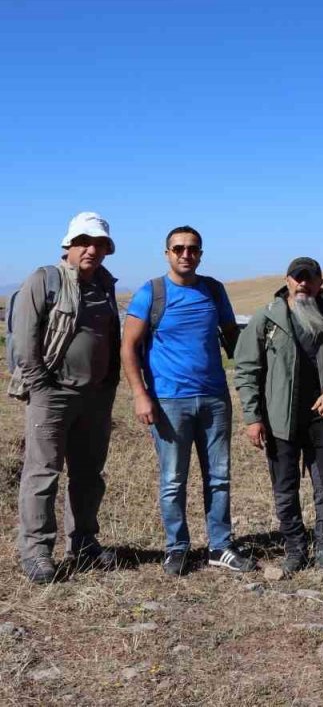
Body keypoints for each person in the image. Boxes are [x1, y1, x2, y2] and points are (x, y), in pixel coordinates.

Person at [122, 225, 254, 577]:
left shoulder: (213, 290)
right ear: (167, 253)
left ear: (200, 253)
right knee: (172, 479)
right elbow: (129, 347)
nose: (185, 254)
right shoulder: (151, 293)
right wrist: (140, 395)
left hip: (214, 398)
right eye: (178, 248)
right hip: (168, 400)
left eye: (192, 249)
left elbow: (232, 338)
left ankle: (220, 546)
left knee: (219, 477)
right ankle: (176, 548)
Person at [10, 212, 121, 584]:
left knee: (89, 475)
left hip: (96, 396)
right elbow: (23, 339)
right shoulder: (46, 279)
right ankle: (37, 551)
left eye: (99, 244)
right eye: (84, 242)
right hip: (52, 393)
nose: (92, 250)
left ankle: (85, 543)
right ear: (68, 245)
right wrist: (40, 383)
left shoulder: (105, 285)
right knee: (42, 473)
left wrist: (109, 384)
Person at [233, 257, 323, 576]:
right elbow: (246, 369)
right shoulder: (267, 319)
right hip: (279, 419)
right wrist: (253, 417)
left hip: (321, 418)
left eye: (310, 278)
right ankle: (295, 549)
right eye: (298, 278)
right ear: (286, 280)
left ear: (320, 283)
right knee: (285, 488)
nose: (303, 283)